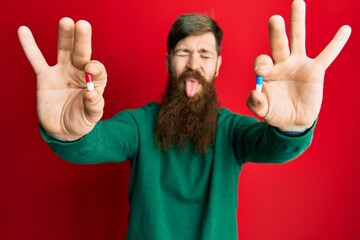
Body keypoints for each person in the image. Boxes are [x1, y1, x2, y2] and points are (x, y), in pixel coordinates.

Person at [17, 0, 351, 239]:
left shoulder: (232, 131)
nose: (194, 63)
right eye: (183, 52)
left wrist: (294, 125)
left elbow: (275, 147)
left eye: (204, 54)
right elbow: (93, 144)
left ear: (218, 66)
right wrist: (65, 131)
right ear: (168, 61)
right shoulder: (138, 125)